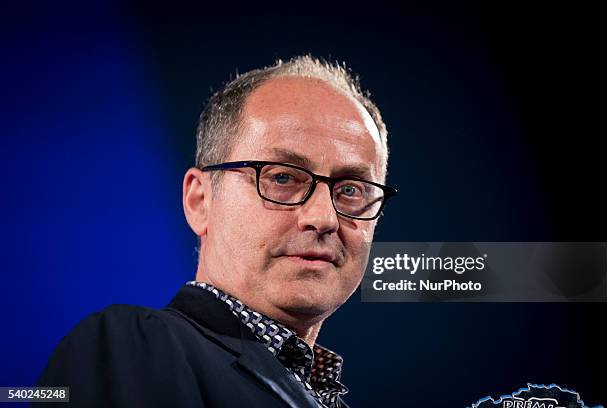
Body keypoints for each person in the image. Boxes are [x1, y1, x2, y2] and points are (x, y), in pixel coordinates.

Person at [38, 55, 397, 407]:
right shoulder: (135, 347)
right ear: (200, 201)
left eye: (351, 189)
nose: (323, 218)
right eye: (282, 177)